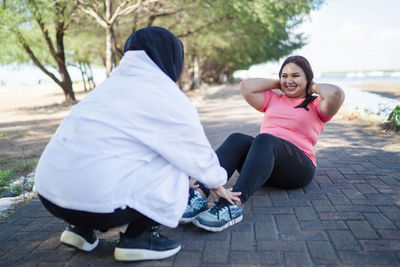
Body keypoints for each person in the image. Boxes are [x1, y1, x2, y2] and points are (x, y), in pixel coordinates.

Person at [34, 26, 240, 262]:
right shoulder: (165, 95)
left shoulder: (103, 89)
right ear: (171, 57)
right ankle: (139, 237)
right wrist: (216, 183)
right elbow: (195, 152)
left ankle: (79, 229)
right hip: (97, 204)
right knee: (174, 162)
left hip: (51, 197)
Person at [180, 55, 345, 232]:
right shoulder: (274, 99)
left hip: (298, 169)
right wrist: (280, 83)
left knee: (265, 138)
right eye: (284, 75)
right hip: (264, 167)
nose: (289, 80)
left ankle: (233, 205)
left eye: (295, 76)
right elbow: (246, 86)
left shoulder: (316, 104)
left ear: (307, 77)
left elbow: (336, 94)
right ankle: (199, 194)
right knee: (238, 138)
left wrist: (310, 86)